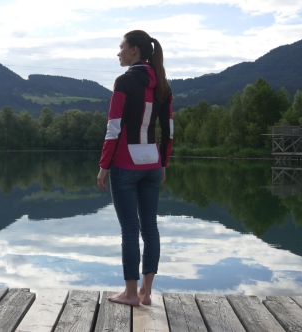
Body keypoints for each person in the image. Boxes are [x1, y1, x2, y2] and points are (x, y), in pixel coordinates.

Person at [96, 30, 173, 306]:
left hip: (124, 165)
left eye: (121, 47)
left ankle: (130, 293)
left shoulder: (124, 81)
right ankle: (146, 293)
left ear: (135, 50)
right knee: (150, 228)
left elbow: (113, 128)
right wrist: (163, 162)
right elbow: (169, 130)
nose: (118, 53)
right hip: (152, 164)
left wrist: (104, 166)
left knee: (129, 228)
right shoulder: (162, 83)